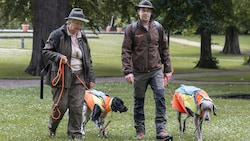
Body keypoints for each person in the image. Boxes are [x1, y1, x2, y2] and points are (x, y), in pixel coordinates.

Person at [121, 0, 173, 140]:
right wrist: (128, 71)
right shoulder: (131, 29)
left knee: (160, 98)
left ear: (151, 13)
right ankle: (140, 130)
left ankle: (161, 129)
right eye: (143, 10)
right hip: (138, 72)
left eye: (148, 10)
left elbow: (164, 49)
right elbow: (126, 51)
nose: (145, 13)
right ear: (138, 12)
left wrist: (167, 69)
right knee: (139, 101)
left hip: (156, 70)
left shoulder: (158, 28)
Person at [42, 8, 95, 140]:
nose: (79, 26)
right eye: (77, 23)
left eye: (81, 24)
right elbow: (46, 51)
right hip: (61, 75)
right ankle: (52, 127)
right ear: (70, 22)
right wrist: (59, 57)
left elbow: (88, 59)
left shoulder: (82, 37)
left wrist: (91, 78)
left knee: (77, 106)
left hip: (79, 75)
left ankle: (75, 134)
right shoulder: (57, 34)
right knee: (61, 106)